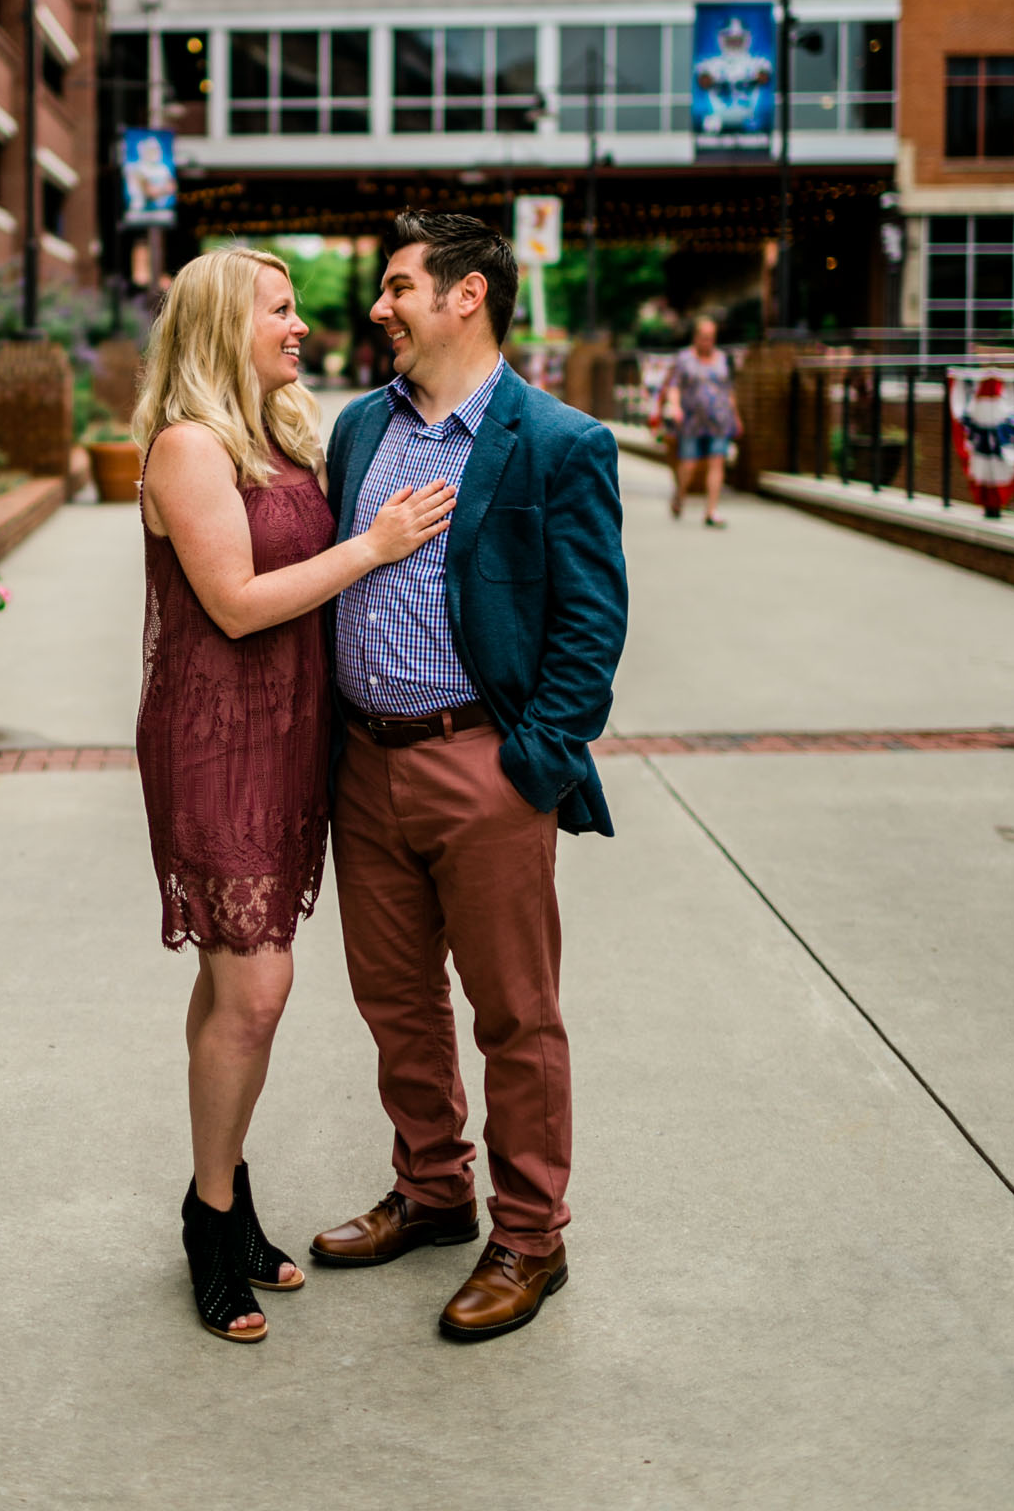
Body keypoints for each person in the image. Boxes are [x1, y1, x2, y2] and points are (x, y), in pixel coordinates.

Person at [311, 212, 628, 1343]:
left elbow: (590, 628)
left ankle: (532, 1236)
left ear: (468, 296)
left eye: (399, 286)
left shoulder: (559, 441)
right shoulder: (358, 429)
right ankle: (435, 1188)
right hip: (364, 764)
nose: (379, 306)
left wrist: (525, 767)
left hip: (480, 767)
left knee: (515, 1014)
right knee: (395, 1003)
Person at [133, 246, 456, 1345]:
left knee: (234, 983)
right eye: (281, 309)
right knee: (258, 988)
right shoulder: (187, 446)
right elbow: (230, 602)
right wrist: (375, 546)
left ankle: (224, 1188)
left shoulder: (285, 431)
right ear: (228, 324)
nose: (302, 324)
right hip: (220, 739)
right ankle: (209, 1222)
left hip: (290, 737)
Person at [656, 318, 743, 528]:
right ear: (696, 337)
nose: (708, 342)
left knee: (717, 462)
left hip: (720, 420)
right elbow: (674, 386)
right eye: (704, 337)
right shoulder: (684, 359)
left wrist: (736, 417)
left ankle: (711, 511)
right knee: (689, 464)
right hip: (691, 421)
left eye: (711, 338)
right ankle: (680, 496)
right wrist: (675, 406)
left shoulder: (722, 359)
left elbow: (728, 390)